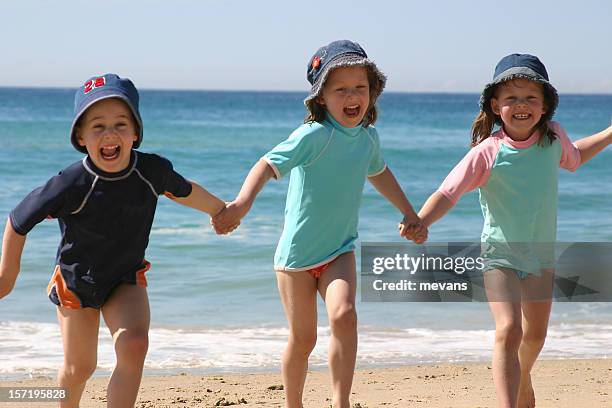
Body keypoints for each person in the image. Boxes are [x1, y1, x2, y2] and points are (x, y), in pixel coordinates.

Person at [212, 40, 426, 407]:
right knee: (303, 340)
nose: (352, 96)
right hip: (295, 258)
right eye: (340, 89)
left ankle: (340, 401)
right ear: (322, 98)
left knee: (345, 316)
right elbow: (266, 164)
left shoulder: (368, 139)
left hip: (339, 249)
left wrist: (410, 213)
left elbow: (380, 173)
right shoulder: (314, 136)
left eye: (360, 87)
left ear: (372, 93)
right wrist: (242, 204)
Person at [0, 74, 227, 408]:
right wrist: (8, 275)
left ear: (135, 132)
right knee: (80, 369)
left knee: (134, 344)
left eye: (121, 124)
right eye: (97, 125)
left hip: (125, 276)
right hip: (77, 283)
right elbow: (18, 220)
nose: (110, 133)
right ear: (80, 136)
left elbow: (183, 190)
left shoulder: (151, 171)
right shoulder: (70, 183)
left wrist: (220, 211)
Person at [411, 54, 612, 408]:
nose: (522, 105)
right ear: (495, 105)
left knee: (535, 335)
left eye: (531, 97)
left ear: (545, 105)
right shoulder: (488, 152)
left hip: (540, 256)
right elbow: (448, 191)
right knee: (509, 330)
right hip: (499, 254)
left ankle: (522, 379)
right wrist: (423, 221)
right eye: (511, 98)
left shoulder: (553, 138)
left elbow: (576, 157)